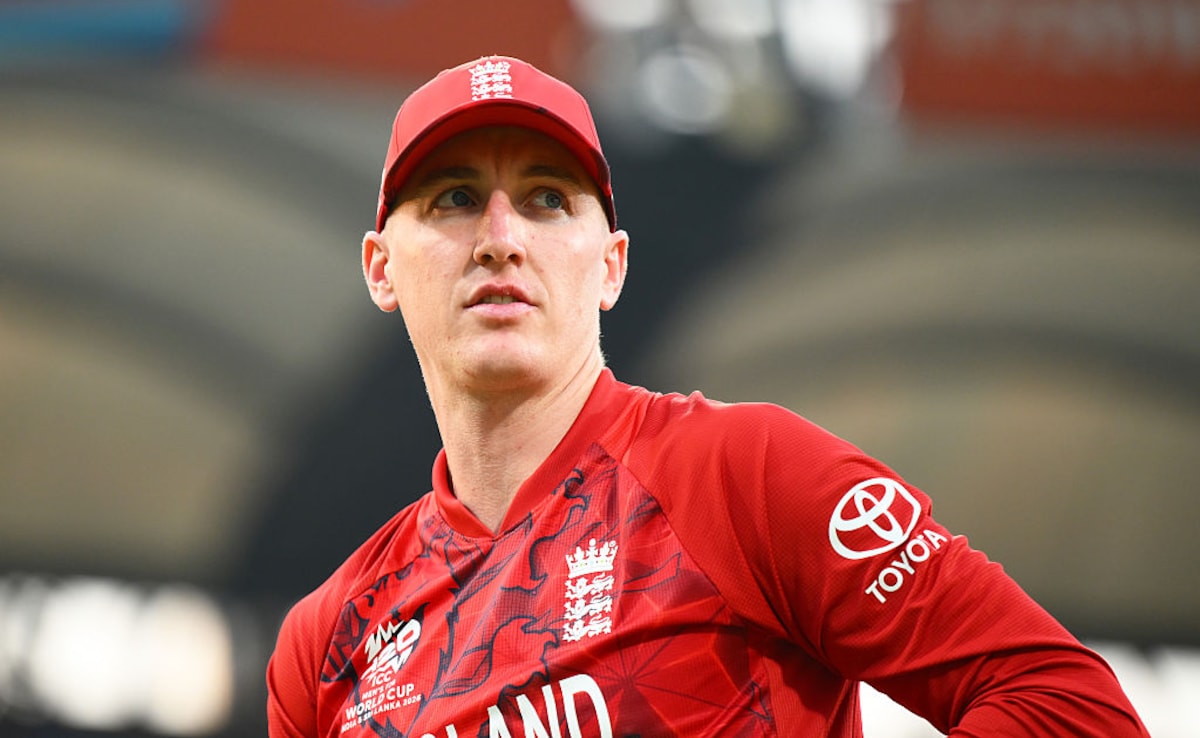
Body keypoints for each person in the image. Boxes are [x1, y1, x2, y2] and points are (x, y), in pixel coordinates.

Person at [266, 55, 1148, 738]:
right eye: (456, 198)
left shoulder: (746, 475)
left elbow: (1069, 706)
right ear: (382, 268)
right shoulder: (325, 641)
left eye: (547, 200)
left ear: (611, 266)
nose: (502, 238)